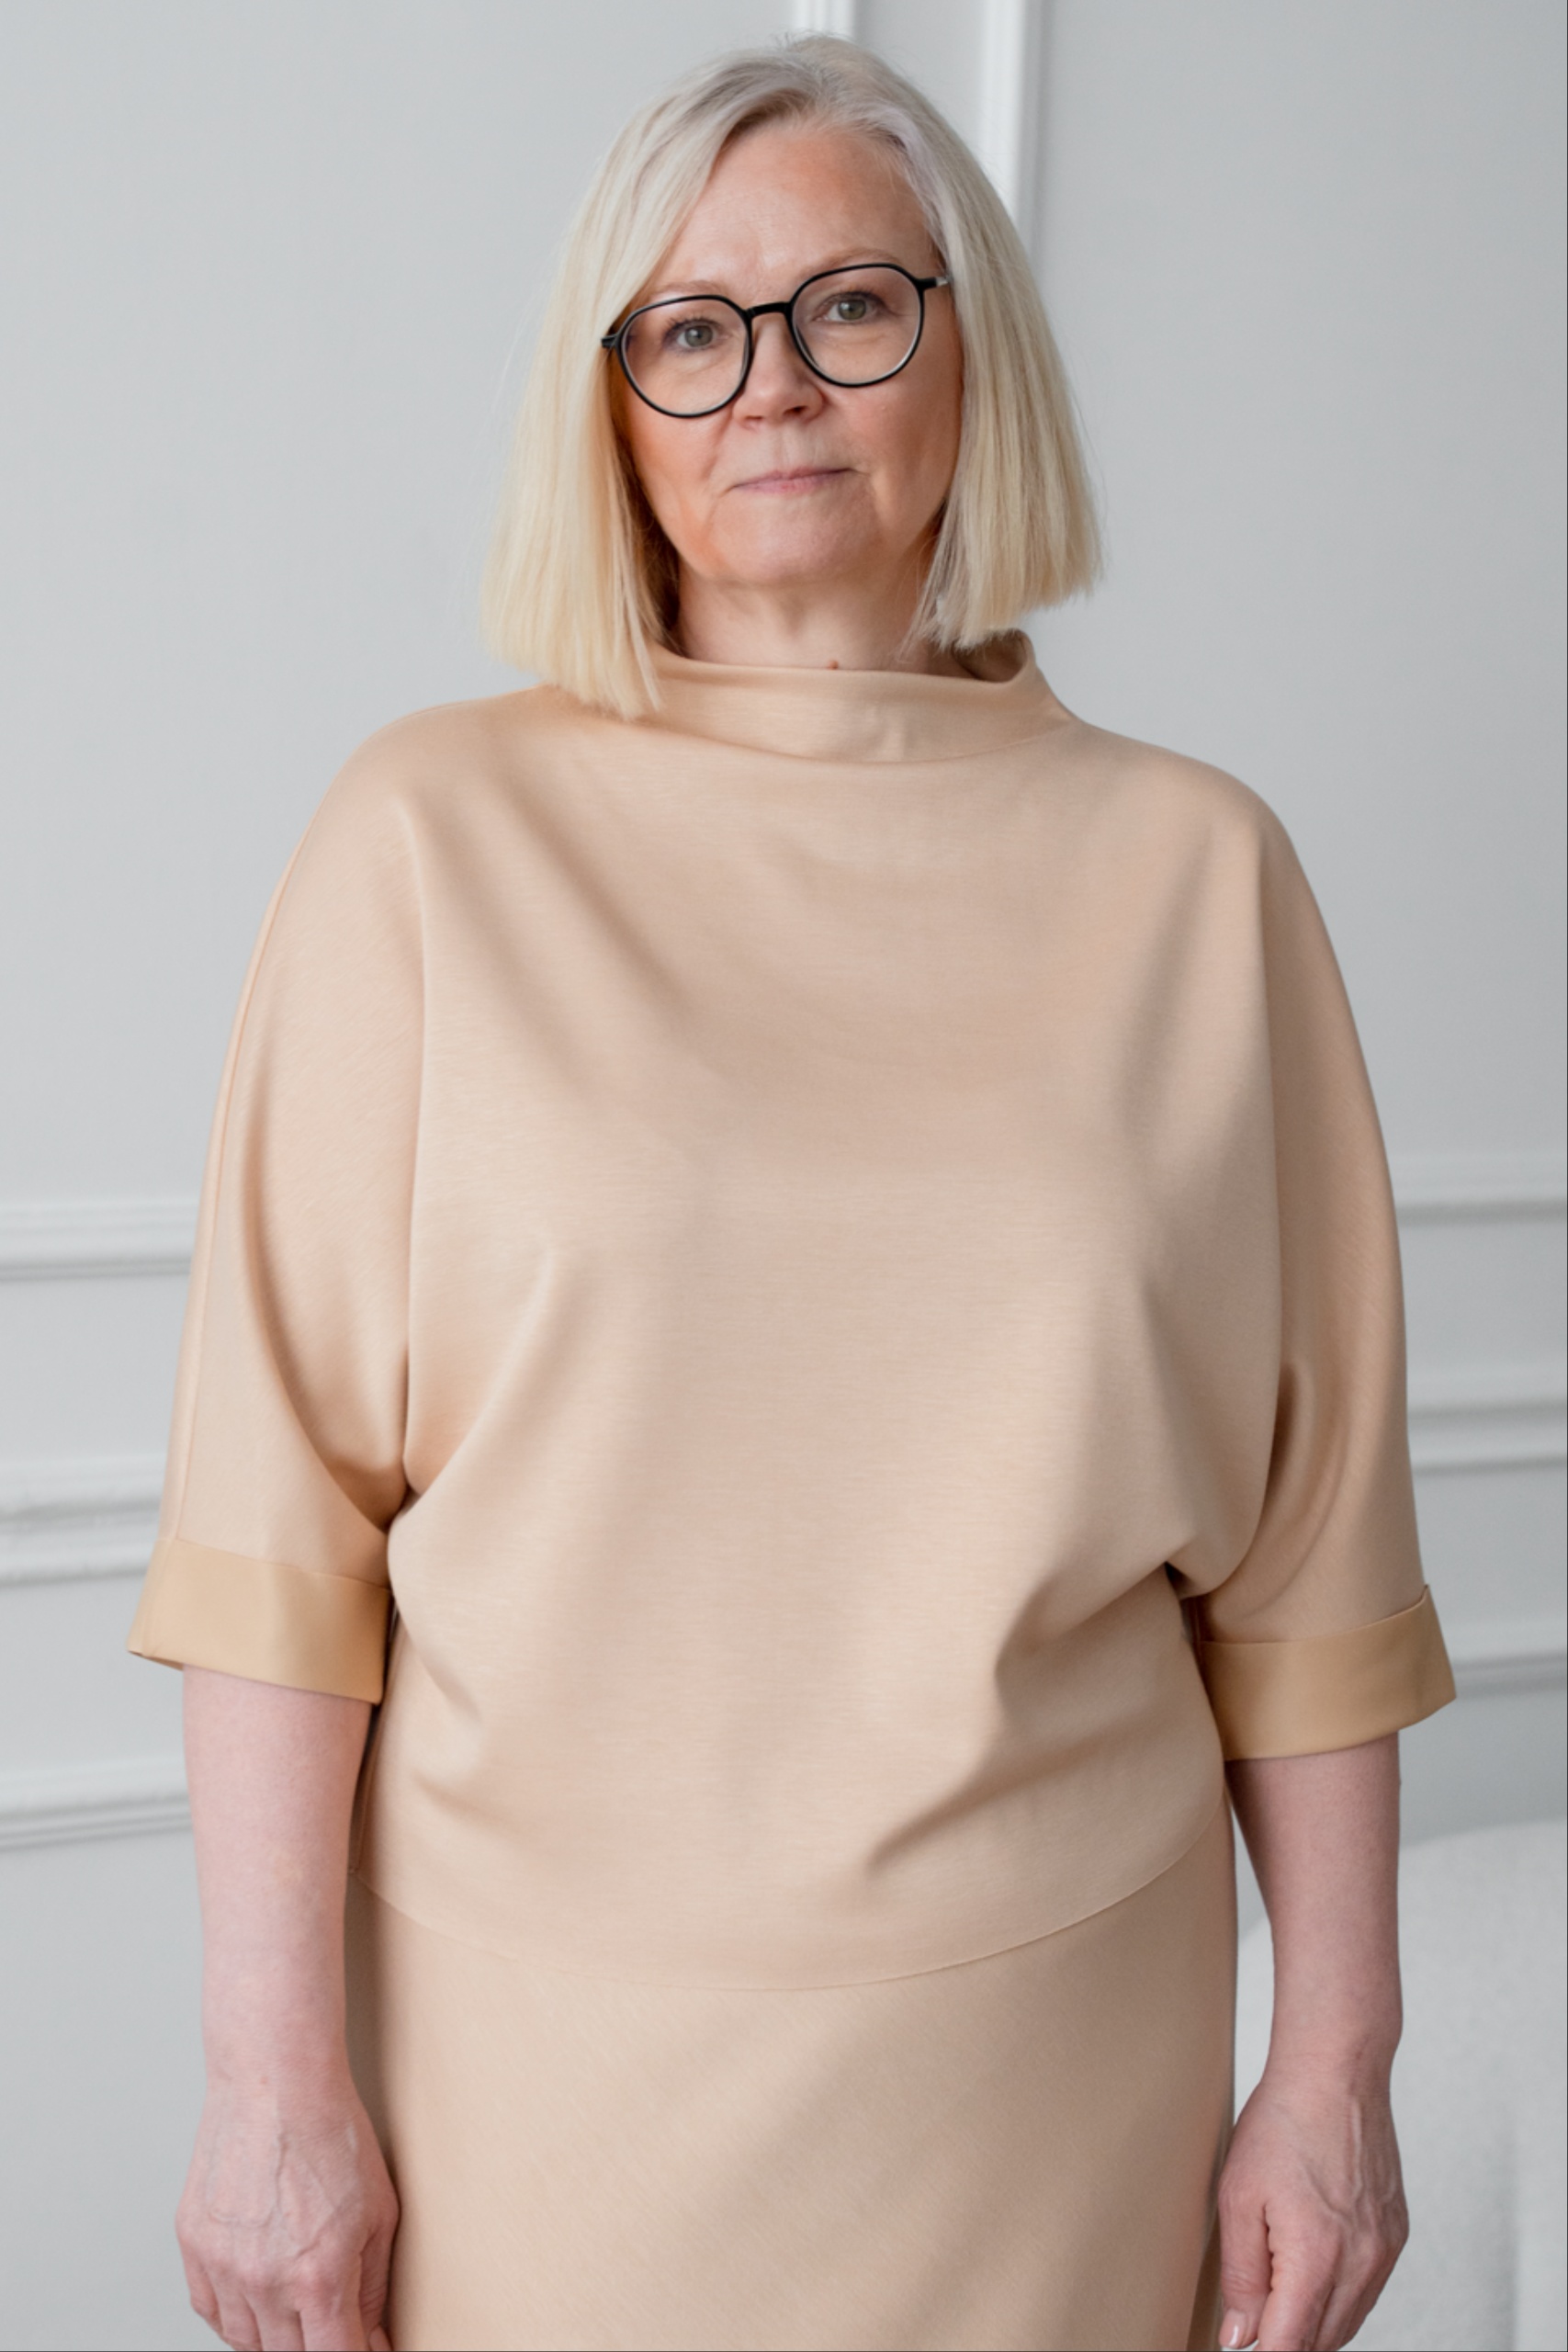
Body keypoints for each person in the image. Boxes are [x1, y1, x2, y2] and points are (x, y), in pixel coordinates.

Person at [128, 34, 1457, 2352]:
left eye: (849, 303)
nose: (769, 383)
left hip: (1053, 2060)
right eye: (688, 326)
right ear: (610, 402)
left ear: (970, 350)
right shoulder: (426, 838)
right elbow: (276, 1531)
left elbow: (1309, 1554)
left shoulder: (1195, 873)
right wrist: (270, 2086)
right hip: (531, 2065)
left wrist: (1333, 2062)